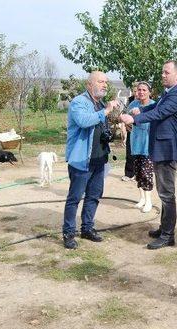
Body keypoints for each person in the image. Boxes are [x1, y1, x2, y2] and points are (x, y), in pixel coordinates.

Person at [120, 60, 177, 250]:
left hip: (168, 150)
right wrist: (141, 109)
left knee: (167, 194)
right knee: (163, 192)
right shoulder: (169, 93)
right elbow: (156, 107)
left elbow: (160, 113)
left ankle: (168, 236)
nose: (163, 75)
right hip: (161, 148)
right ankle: (164, 229)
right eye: (162, 72)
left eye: (166, 72)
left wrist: (134, 117)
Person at [62, 71, 119, 249]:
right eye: (100, 82)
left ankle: (87, 228)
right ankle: (69, 233)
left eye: (106, 83)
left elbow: (101, 127)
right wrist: (106, 111)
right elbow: (84, 121)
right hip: (81, 160)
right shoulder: (79, 102)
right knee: (75, 198)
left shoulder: (99, 103)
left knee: (94, 196)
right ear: (89, 84)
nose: (104, 85)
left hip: (99, 158)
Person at [127, 81, 156, 213]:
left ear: (149, 92)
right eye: (139, 90)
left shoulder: (154, 105)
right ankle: (142, 198)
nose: (141, 92)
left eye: (144, 90)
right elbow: (127, 121)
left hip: (148, 143)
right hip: (135, 142)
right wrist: (126, 124)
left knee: (147, 173)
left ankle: (149, 201)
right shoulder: (133, 104)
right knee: (138, 172)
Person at [122, 82, 138, 182]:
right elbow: (125, 114)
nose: (136, 93)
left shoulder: (147, 102)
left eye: (138, 90)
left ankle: (138, 174)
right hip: (131, 130)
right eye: (134, 91)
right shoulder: (130, 101)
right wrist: (126, 126)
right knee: (130, 152)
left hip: (141, 132)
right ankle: (129, 173)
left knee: (140, 154)